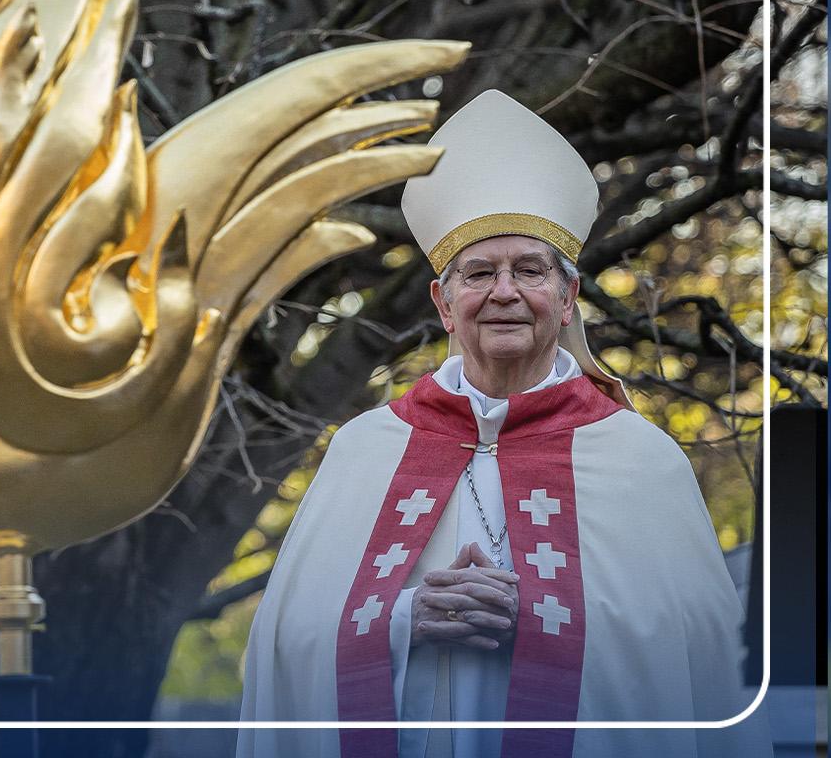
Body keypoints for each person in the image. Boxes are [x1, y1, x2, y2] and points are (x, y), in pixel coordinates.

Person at [236, 90, 770, 758]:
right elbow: (282, 647)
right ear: (443, 301)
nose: (505, 292)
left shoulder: (639, 459)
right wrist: (403, 620)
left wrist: (542, 623)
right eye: (479, 272)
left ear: (569, 295)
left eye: (530, 270)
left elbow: (694, 661)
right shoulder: (365, 450)